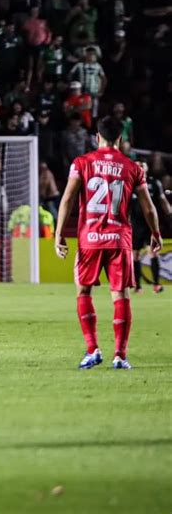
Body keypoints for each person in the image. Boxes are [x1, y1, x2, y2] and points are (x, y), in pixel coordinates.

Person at [55, 116, 162, 370]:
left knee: (83, 291)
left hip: (89, 239)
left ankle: (92, 349)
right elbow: (148, 207)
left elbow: (68, 199)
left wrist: (59, 232)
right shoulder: (133, 167)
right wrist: (155, 232)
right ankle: (120, 356)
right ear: (121, 139)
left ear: (97, 137)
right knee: (121, 295)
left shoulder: (82, 163)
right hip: (119, 239)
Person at [131, 162, 171, 294]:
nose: (140, 168)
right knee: (135, 255)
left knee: (153, 252)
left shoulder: (154, 183)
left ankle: (156, 284)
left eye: (142, 165)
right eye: (138, 166)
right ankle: (137, 286)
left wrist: (170, 213)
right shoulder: (129, 182)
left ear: (147, 168)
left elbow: (162, 200)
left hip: (150, 223)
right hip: (135, 224)